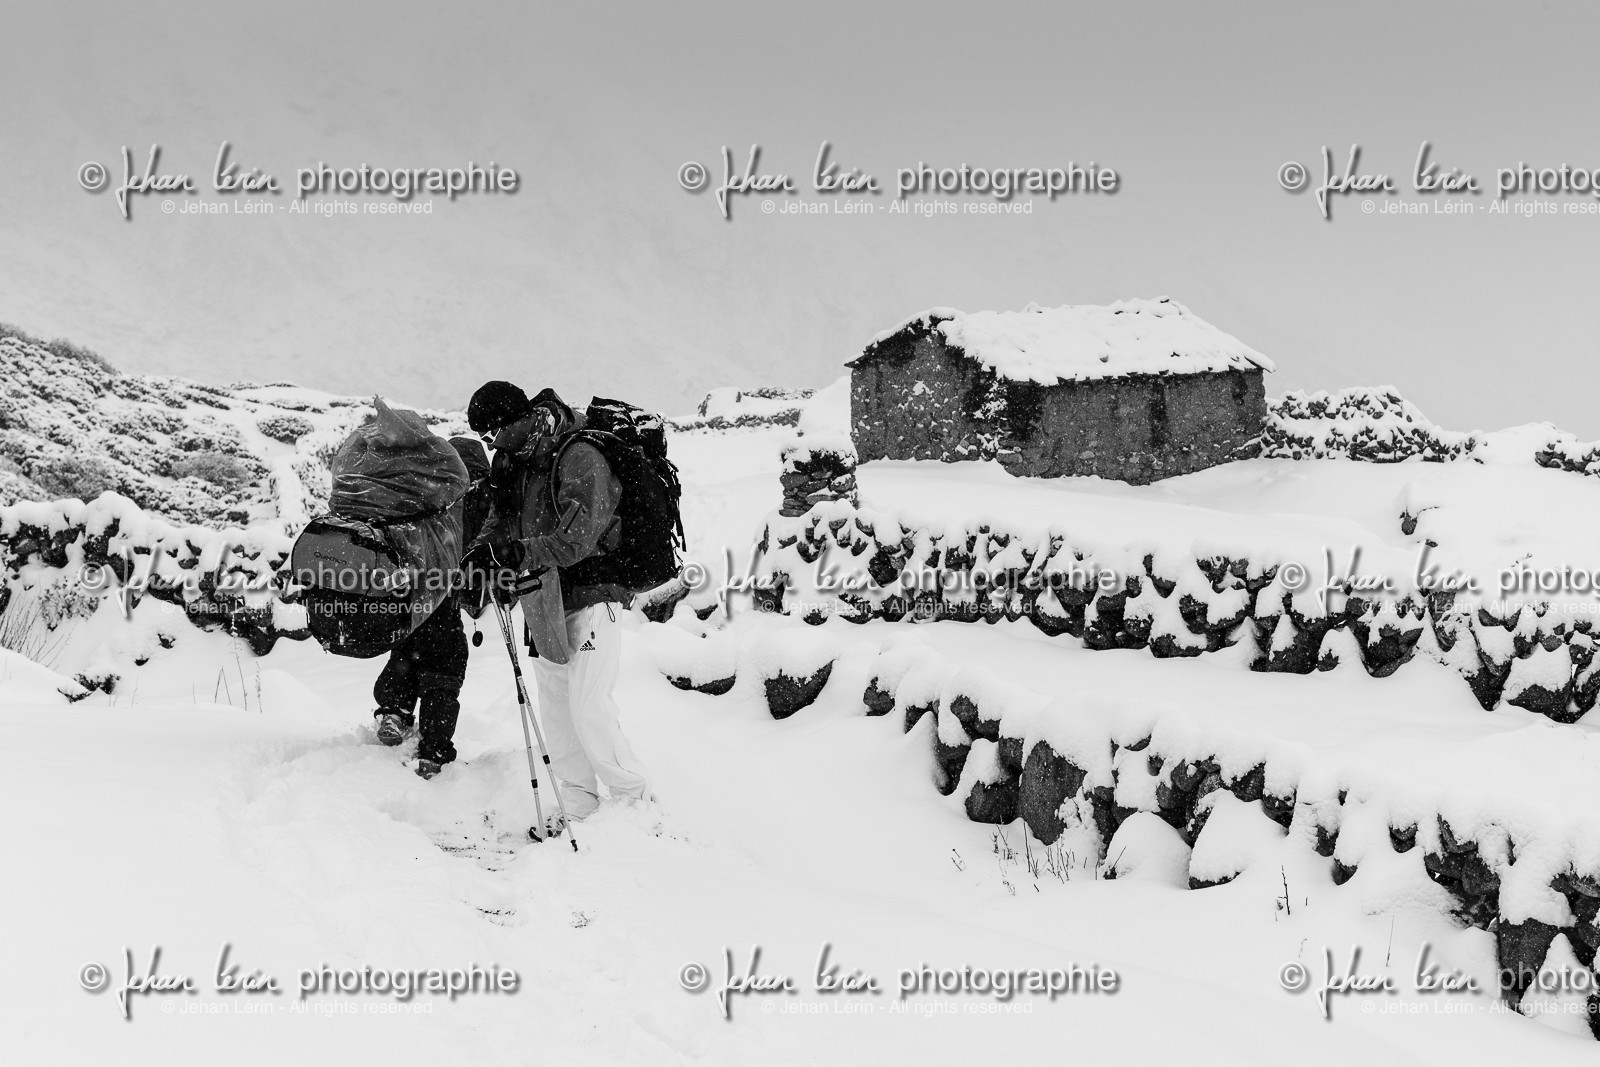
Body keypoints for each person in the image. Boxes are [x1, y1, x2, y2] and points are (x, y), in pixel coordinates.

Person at [461, 381, 651, 833]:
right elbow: (499, 518)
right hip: (542, 595)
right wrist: (481, 551)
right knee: (557, 706)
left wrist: (513, 555)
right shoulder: (515, 462)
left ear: (516, 418)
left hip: (593, 592)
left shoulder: (579, 455)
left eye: (493, 433)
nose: (490, 444)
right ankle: (578, 798)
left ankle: (635, 801)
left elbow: (578, 539)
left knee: (588, 704)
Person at [373, 434, 493, 780]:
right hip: (445, 600)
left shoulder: (428, 494)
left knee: (406, 653)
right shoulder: (481, 500)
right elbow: (484, 548)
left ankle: (394, 712)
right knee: (445, 669)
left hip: (410, 597)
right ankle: (433, 750)